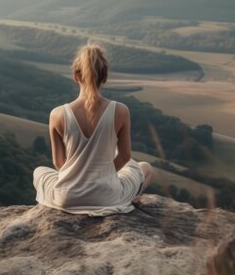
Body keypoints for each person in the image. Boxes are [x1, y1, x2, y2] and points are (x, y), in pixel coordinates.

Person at [33, 41, 153, 216]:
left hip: (67, 198)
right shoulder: (120, 111)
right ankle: (124, 200)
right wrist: (102, 176)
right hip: (108, 197)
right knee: (146, 168)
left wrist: (80, 180)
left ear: (76, 76)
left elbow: (59, 164)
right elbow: (125, 156)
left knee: (39, 172)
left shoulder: (57, 114)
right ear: (104, 77)